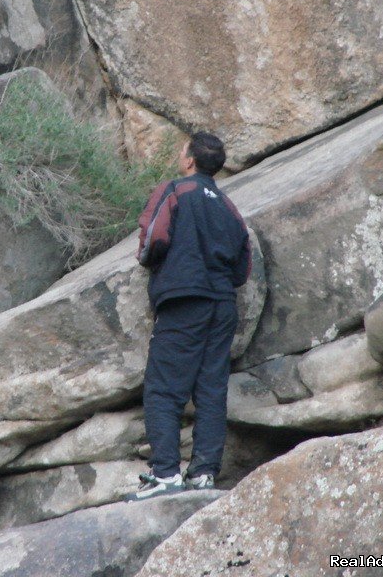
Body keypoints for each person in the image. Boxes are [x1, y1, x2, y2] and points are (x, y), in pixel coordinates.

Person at [127, 132, 252, 500]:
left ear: (189, 161)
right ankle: (203, 475)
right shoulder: (228, 205)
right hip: (222, 304)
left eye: (182, 151)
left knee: (164, 388)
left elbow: (153, 237)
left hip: (184, 300)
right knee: (211, 389)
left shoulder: (176, 189)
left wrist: (150, 261)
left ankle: (166, 474)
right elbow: (242, 267)